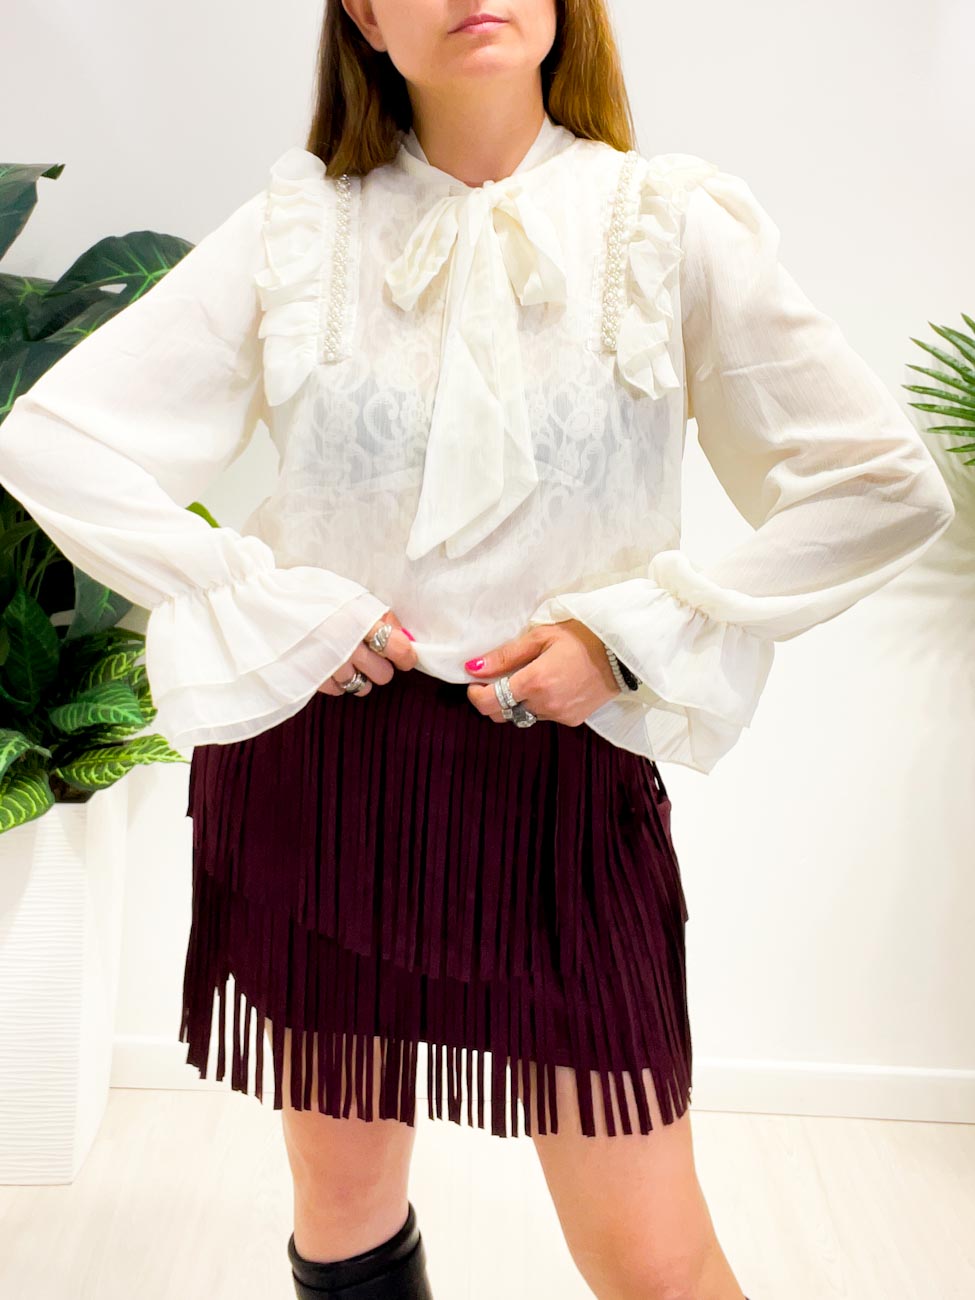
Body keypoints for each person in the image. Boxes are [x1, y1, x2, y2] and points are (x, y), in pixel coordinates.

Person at [0, 1, 955, 1297]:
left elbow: (878, 485)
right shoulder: (299, 229)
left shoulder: (666, 225)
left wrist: (626, 636)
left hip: (565, 786)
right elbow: (55, 439)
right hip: (325, 780)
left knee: (657, 1262)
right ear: (364, 15)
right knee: (343, 1218)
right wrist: (278, 608)